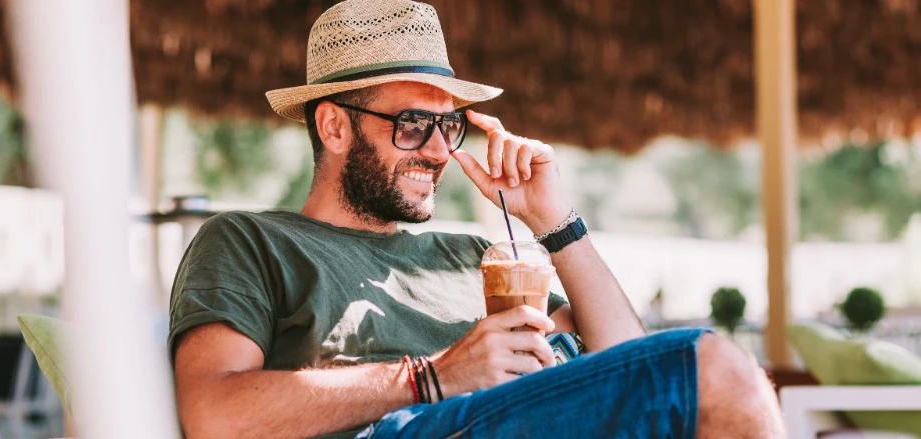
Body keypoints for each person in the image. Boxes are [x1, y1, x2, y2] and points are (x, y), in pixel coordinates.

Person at [168, 0, 787, 437]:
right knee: (716, 368)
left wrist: (555, 222)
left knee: (725, 380)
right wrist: (436, 376)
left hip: (521, 419)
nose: (439, 150)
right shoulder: (252, 242)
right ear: (334, 125)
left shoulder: (474, 256)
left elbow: (624, 366)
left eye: (448, 125)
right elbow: (216, 416)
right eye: (413, 124)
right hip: (405, 429)